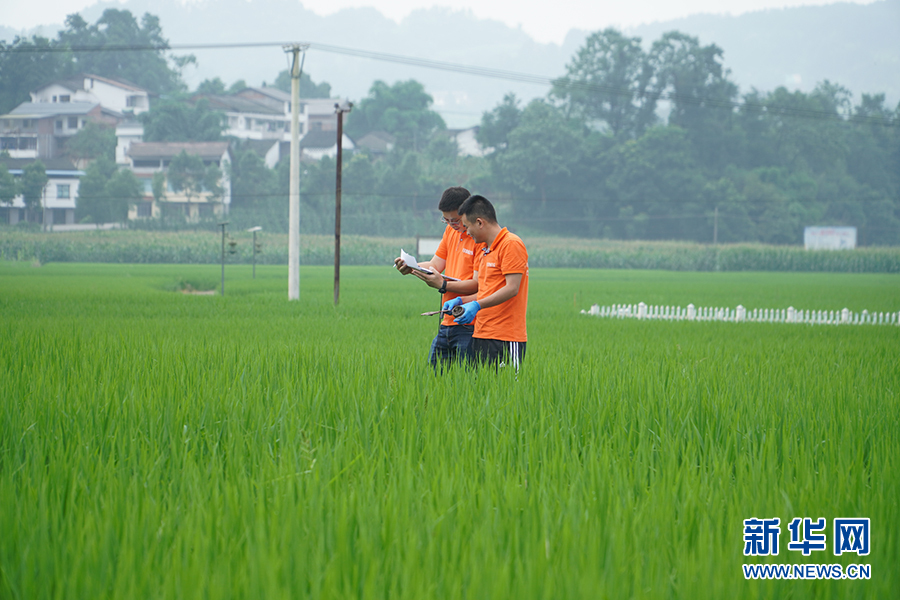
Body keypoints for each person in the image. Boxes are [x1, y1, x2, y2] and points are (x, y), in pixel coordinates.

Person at [394, 186, 482, 366]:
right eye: (446, 220)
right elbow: (435, 265)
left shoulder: (478, 238)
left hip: (470, 323)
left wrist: (443, 285)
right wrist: (412, 267)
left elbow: (476, 284)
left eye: (456, 220)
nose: (451, 225)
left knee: (469, 384)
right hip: (447, 321)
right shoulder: (450, 232)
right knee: (436, 380)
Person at [443, 194, 528, 369]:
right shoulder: (483, 249)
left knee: (507, 394)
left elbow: (512, 288)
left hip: (505, 337)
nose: (466, 232)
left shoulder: (511, 244)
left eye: (467, 227)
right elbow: (486, 291)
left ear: (480, 223)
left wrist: (477, 306)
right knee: (481, 393)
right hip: (481, 334)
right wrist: (462, 301)